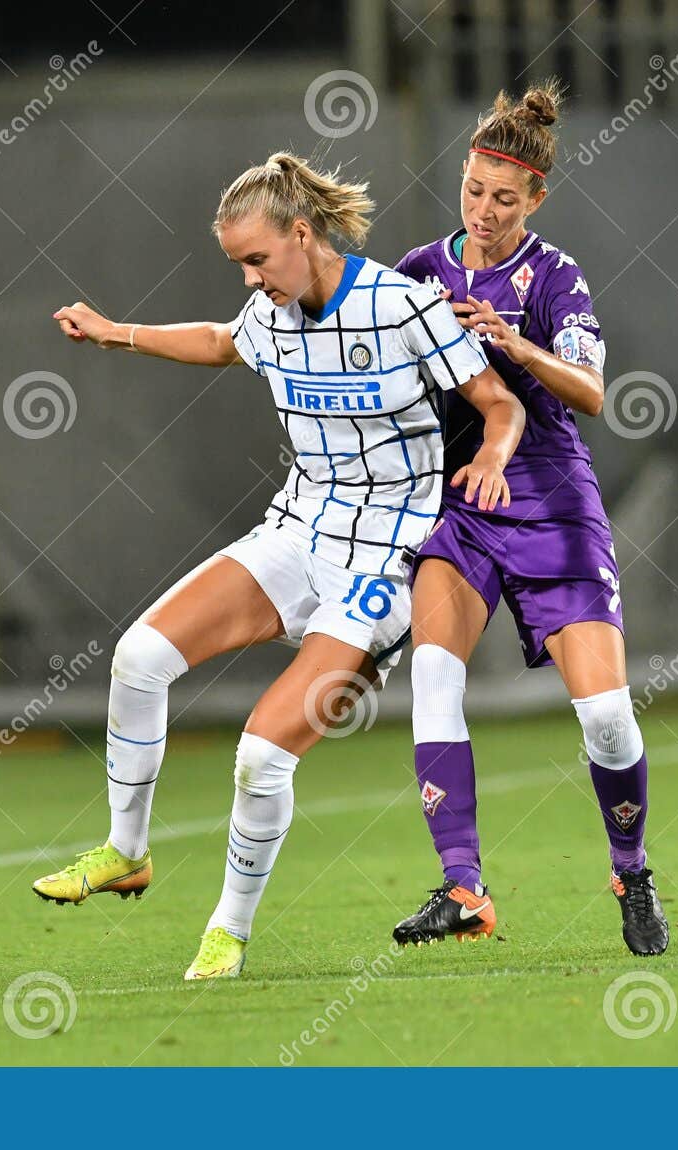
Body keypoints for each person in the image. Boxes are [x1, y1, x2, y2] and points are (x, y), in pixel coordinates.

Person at [33, 152, 524, 981]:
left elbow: (498, 404)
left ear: (304, 234)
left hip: (386, 558)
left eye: (258, 258)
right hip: (297, 533)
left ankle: (227, 931)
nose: (251, 279)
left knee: (263, 754)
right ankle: (127, 847)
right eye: (239, 265)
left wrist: (496, 458)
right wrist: (118, 331)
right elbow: (223, 342)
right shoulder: (268, 312)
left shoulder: (403, 307)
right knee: (139, 656)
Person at [390, 83, 670, 956]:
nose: (483, 209)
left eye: (504, 198)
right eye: (473, 189)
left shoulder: (554, 277)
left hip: (549, 500)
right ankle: (464, 885)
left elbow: (591, 393)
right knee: (433, 679)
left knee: (608, 719)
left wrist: (512, 343)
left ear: (537, 198)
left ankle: (631, 868)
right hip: (461, 504)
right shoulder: (418, 274)